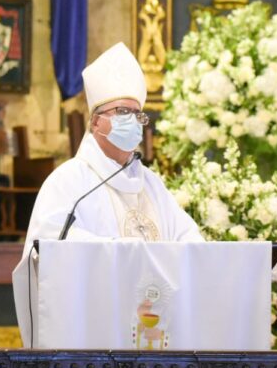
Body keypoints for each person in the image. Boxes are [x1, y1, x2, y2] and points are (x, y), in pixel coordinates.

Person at [21, 42, 204, 250]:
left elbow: (189, 238)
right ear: (96, 122)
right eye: (123, 112)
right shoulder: (68, 181)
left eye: (138, 114)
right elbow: (51, 242)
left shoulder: (152, 185)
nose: (133, 120)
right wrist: (122, 250)